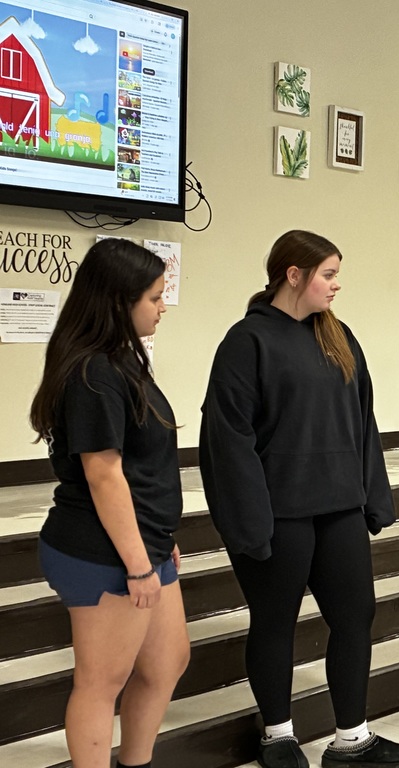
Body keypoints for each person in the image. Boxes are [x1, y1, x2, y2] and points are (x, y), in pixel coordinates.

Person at [199, 230, 399, 768]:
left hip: (338, 506)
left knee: (355, 616)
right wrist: (248, 522)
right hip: (278, 514)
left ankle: (352, 739)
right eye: (329, 274)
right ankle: (277, 735)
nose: (337, 285)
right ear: (293, 275)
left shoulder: (338, 336)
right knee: (275, 622)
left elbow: (362, 421)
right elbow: (229, 440)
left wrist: (373, 495)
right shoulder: (246, 342)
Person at [29, 239, 189, 768]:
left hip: (143, 542)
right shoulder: (93, 373)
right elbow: (104, 477)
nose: (163, 307)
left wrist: (161, 539)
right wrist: (140, 564)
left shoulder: (122, 359)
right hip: (102, 550)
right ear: (119, 302)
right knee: (100, 684)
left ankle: (135, 763)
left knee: (167, 662)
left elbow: (143, 467)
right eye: (155, 298)